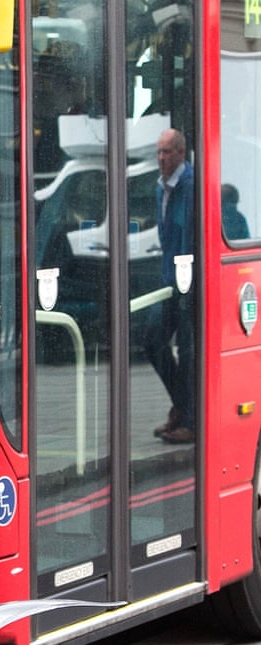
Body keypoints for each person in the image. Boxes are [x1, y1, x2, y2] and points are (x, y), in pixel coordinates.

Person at [147, 128, 196, 445]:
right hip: (169, 280)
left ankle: (190, 420)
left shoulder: (190, 186)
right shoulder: (160, 187)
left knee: (189, 352)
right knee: (151, 341)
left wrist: (187, 283)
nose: (162, 158)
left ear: (180, 153)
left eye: (167, 152)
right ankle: (182, 406)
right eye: (159, 153)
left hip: (189, 283)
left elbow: (189, 237)